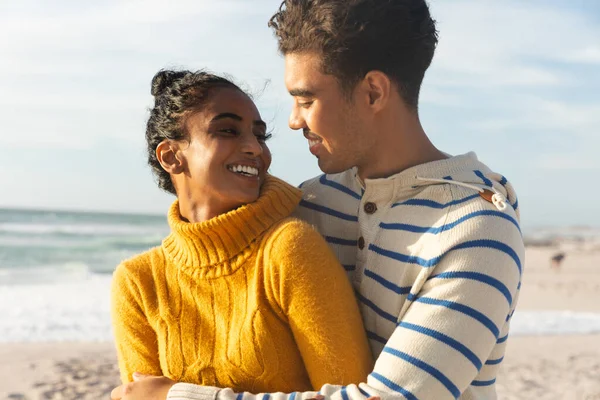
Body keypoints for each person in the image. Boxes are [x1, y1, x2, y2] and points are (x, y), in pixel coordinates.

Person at [111, 0, 524, 399]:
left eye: (306, 99)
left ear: (374, 92)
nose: (293, 120)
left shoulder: (477, 231)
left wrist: (182, 397)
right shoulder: (308, 203)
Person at [110, 69, 374, 397]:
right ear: (171, 156)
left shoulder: (289, 250)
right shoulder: (137, 283)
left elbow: (351, 396)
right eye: (227, 130)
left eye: (260, 135)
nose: (254, 148)